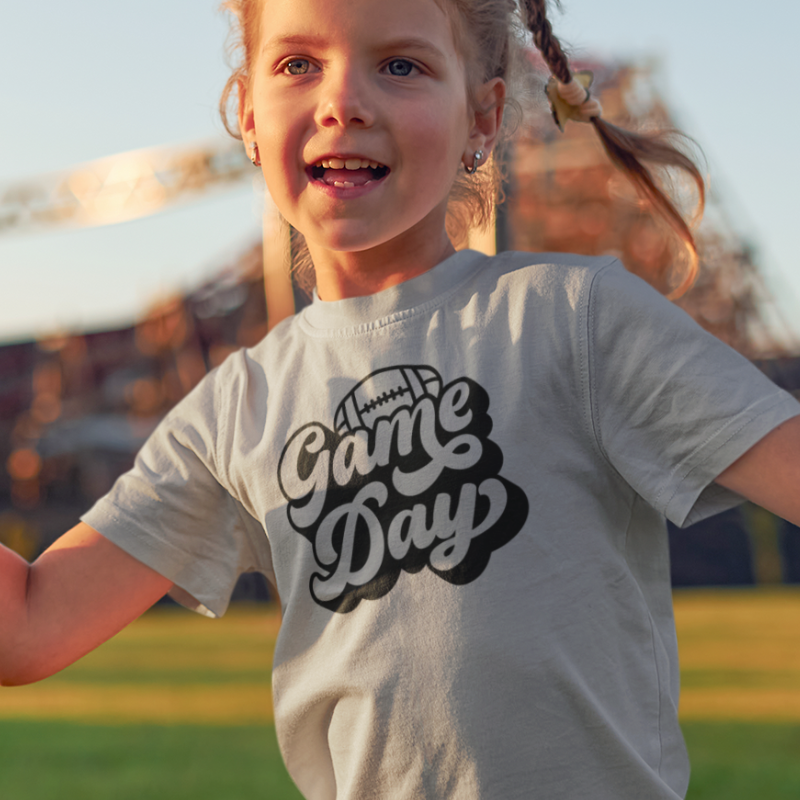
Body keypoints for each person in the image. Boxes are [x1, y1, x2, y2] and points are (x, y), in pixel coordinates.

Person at [2, 0, 799, 797]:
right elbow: (29, 627)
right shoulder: (234, 411)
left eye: (401, 66)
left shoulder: (575, 320)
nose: (343, 102)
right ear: (247, 112)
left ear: (482, 116)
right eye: (298, 64)